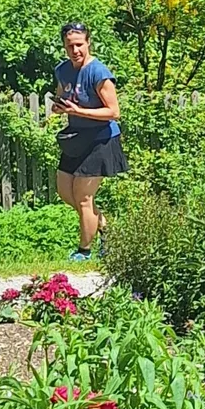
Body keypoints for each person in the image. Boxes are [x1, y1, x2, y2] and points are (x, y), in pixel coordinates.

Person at [52, 22, 125, 258]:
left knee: (83, 198)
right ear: (64, 46)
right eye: (70, 46)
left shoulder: (99, 73)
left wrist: (78, 111)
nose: (75, 51)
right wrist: (58, 107)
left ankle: (84, 251)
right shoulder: (63, 70)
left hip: (101, 140)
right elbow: (62, 95)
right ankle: (105, 227)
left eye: (79, 45)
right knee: (66, 192)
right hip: (76, 138)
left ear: (88, 43)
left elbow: (114, 112)